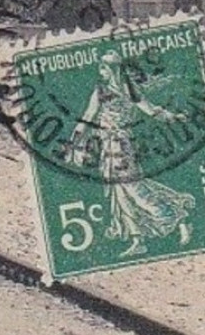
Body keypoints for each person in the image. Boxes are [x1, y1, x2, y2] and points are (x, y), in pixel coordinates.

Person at [64, 51, 195, 258]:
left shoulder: (126, 90)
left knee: (133, 188)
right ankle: (137, 240)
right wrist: (74, 141)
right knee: (120, 192)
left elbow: (151, 110)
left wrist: (174, 117)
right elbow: (88, 117)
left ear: (111, 69)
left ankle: (176, 217)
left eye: (103, 68)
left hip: (122, 144)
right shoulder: (103, 90)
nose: (101, 72)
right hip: (108, 145)